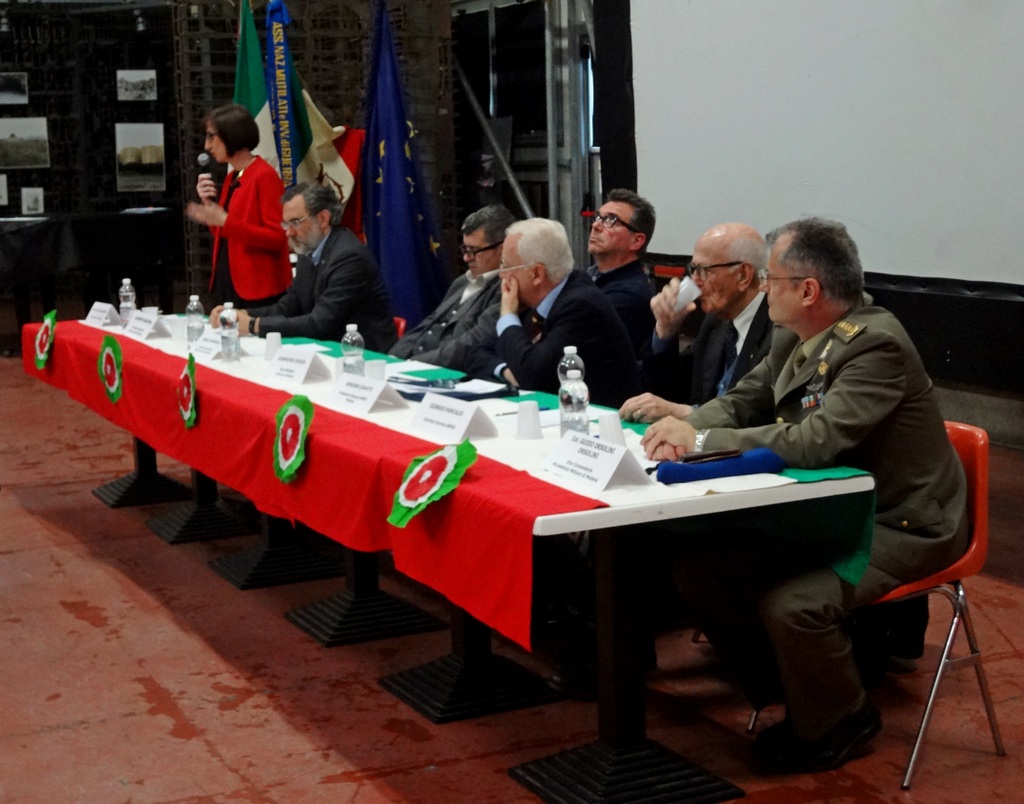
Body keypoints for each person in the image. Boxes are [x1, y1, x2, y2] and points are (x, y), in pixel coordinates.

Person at [641, 217, 968, 773]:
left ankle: (841, 718)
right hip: (831, 508)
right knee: (701, 570)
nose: (764, 288)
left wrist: (698, 440)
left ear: (809, 290)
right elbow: (744, 399)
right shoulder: (796, 334)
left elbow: (816, 440)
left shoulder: (876, 346)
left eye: (771, 278)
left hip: (901, 521)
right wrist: (684, 429)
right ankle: (800, 690)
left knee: (792, 605)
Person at [466, 217, 643, 408]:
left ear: (537, 274)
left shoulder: (580, 306)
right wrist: (506, 371)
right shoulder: (537, 297)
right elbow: (476, 353)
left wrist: (508, 315)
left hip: (599, 420)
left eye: (507, 266)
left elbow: (532, 375)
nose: (502, 275)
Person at [209, 182, 397, 351]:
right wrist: (241, 314)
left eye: (295, 222)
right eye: (286, 224)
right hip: (327, 351)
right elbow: (288, 307)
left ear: (322, 219)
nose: (288, 232)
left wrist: (253, 325)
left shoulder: (349, 258)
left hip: (365, 357)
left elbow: (319, 324)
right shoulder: (309, 251)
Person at [620, 222, 773, 424]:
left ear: (743, 275)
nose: (695, 282)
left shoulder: (778, 328)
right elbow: (673, 395)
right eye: (693, 270)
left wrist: (688, 413)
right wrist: (665, 333)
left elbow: (763, 419)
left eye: (703, 271)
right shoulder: (715, 323)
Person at [186, 104, 292, 308]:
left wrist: (225, 221)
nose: (207, 146)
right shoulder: (233, 176)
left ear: (231, 134)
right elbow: (226, 233)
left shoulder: (264, 176)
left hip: (258, 287)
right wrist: (209, 208)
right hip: (230, 279)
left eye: (211, 136)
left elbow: (277, 237)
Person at [389, 205, 515, 371]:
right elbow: (428, 324)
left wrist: (412, 364)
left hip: (445, 372)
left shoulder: (506, 289)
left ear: (501, 250)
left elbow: (471, 344)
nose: (466, 258)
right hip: (412, 366)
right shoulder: (461, 282)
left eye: (474, 250)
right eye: (465, 249)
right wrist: (393, 357)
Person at [585, 189, 656, 356]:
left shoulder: (628, 295)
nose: (595, 226)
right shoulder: (590, 276)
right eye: (597, 217)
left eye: (611, 220)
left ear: (636, 241)